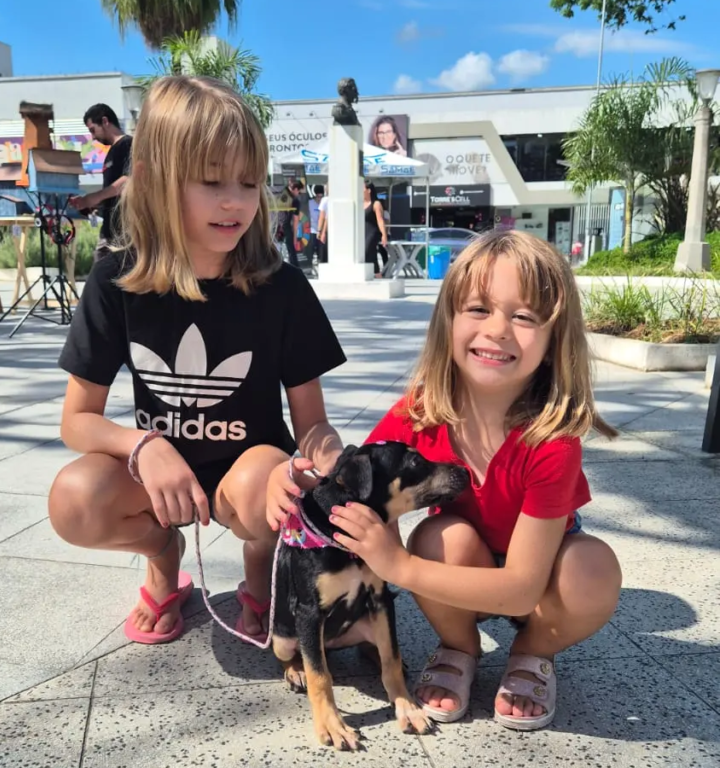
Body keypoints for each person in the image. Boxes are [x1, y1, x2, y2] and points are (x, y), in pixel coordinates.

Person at [272, 229, 622, 731]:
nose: (498, 330)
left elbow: (522, 589)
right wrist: (290, 479)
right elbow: (353, 487)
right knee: (441, 537)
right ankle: (460, 644)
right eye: (478, 308)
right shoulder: (420, 411)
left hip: (539, 574)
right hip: (462, 561)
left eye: (524, 317)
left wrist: (398, 565)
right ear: (448, 321)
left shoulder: (552, 440)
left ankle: (532, 651)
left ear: (553, 340)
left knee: (592, 570)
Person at [49, 76, 347, 646]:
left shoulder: (282, 287)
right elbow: (76, 421)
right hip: (158, 479)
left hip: (249, 478)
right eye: (211, 181)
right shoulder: (115, 279)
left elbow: (311, 424)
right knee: (74, 500)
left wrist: (331, 460)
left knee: (269, 481)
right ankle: (163, 554)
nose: (234, 200)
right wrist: (144, 445)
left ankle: (261, 561)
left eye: (249, 182)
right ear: (154, 180)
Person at [69, 104, 133, 262]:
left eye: (93, 130)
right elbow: (113, 193)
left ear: (105, 121)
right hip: (109, 232)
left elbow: (129, 181)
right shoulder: (111, 152)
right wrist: (93, 205)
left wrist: (94, 197)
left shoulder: (128, 145)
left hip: (126, 234)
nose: (93, 137)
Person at [364, 181, 388, 278]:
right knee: (370, 254)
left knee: (367, 250)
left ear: (369, 190)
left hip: (373, 232)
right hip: (363, 232)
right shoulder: (360, 203)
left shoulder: (376, 204)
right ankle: (377, 274)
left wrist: (384, 235)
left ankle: (376, 274)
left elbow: (380, 220)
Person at [282, 179, 303, 268]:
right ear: (296, 189)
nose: (299, 194)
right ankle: (295, 269)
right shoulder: (295, 201)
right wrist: (294, 237)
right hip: (285, 226)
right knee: (291, 250)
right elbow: (295, 220)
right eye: (299, 192)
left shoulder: (280, 193)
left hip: (273, 225)